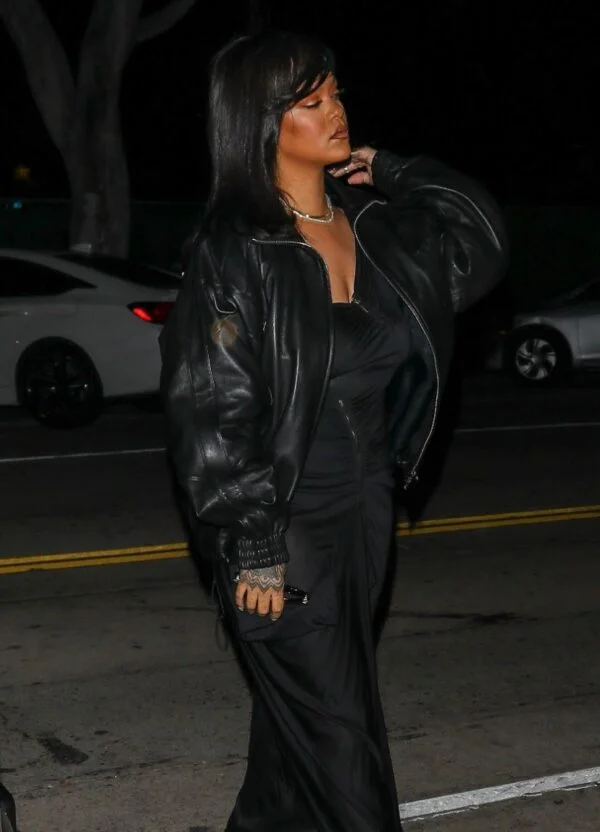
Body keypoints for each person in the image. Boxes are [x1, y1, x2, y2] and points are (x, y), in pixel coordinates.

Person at [159, 30, 507, 832]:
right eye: (310, 102)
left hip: (367, 516)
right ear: (262, 123)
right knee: (345, 750)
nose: (336, 111)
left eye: (335, 93)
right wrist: (253, 540)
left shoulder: (375, 233)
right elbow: (210, 406)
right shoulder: (237, 250)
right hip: (286, 530)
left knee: (296, 753)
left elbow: (482, 241)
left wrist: (394, 169)